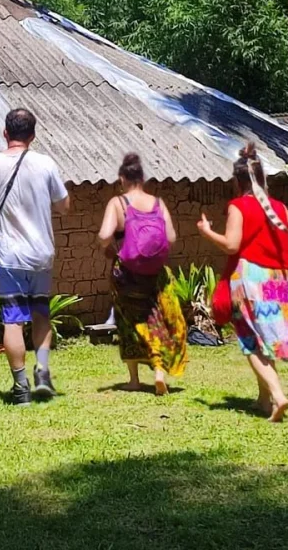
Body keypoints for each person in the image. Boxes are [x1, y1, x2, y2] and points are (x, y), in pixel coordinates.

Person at [0, 109, 70, 406]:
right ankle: (43, 375)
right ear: (33, 136)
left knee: (13, 321)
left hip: (8, 255)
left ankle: (21, 387)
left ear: (5, 133)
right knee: (41, 314)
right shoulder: (46, 164)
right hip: (41, 255)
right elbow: (64, 206)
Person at [197, 143, 288, 422]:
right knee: (266, 338)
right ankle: (263, 399)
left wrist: (207, 233)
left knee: (251, 341)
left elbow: (232, 245)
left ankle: (278, 395)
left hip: (251, 279)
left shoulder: (238, 206)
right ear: (263, 178)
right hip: (281, 280)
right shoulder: (280, 208)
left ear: (237, 181)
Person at [97, 153, 185, 395]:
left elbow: (105, 235)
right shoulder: (157, 203)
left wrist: (108, 249)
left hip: (126, 274)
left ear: (122, 179)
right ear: (142, 178)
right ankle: (158, 371)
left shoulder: (118, 203)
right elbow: (171, 238)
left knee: (128, 323)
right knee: (154, 321)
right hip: (155, 274)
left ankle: (134, 379)